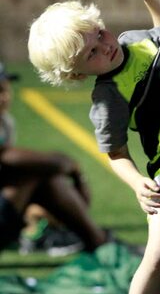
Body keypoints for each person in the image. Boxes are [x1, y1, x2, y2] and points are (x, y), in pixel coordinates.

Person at [28, 0, 160, 294]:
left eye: (98, 34)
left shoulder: (137, 40)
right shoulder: (108, 98)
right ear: (78, 74)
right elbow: (114, 152)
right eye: (90, 54)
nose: (104, 47)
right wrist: (138, 185)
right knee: (159, 248)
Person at [0, 62, 108, 255]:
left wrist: (34, 211)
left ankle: (94, 241)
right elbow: (7, 157)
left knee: (42, 180)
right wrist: (72, 168)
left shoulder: (6, 123)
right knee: (35, 175)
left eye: (5, 89)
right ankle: (98, 243)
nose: (5, 97)